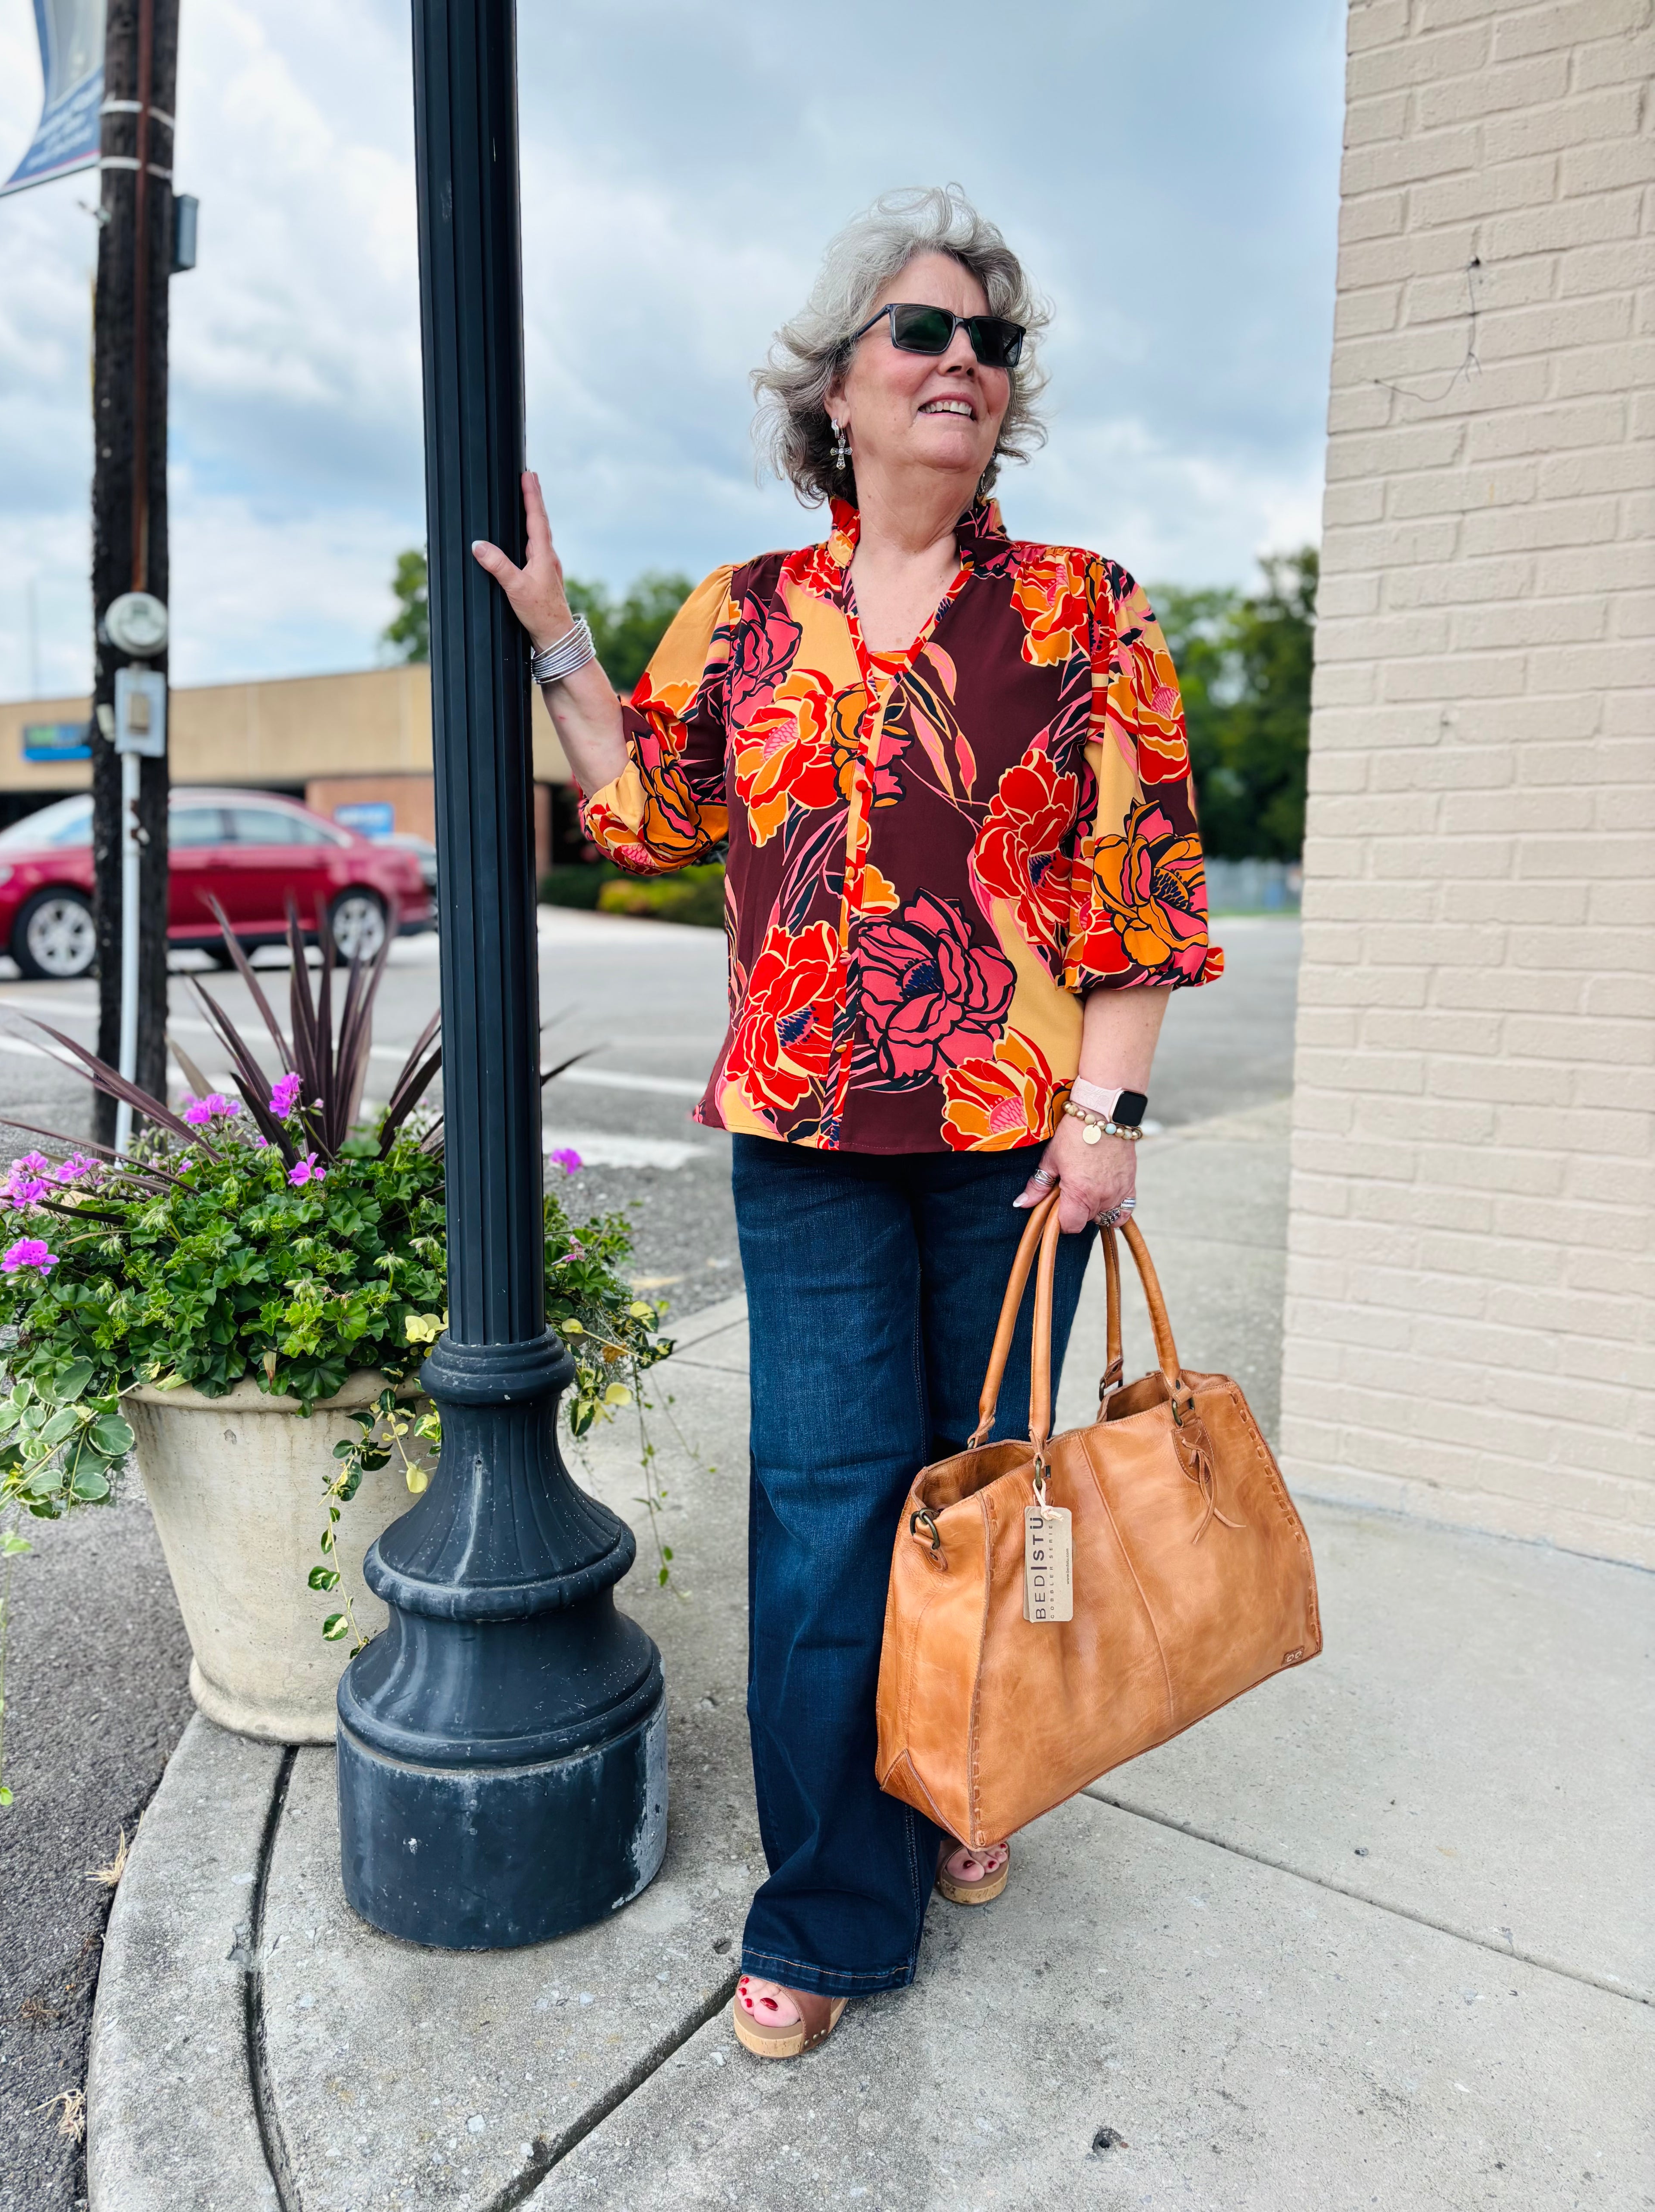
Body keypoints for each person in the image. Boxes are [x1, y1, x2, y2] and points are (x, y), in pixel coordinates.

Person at [473, 184, 1222, 2061]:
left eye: (994, 341)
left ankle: (966, 1768)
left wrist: (1110, 1110)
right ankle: (829, 1906)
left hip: (1015, 1152)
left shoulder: (1084, 610)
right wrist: (560, 644)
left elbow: (1143, 884)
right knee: (824, 1520)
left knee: (978, 1497)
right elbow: (649, 815)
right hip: (804, 1142)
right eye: (925, 331)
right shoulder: (745, 615)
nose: (965, 362)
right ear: (837, 387)